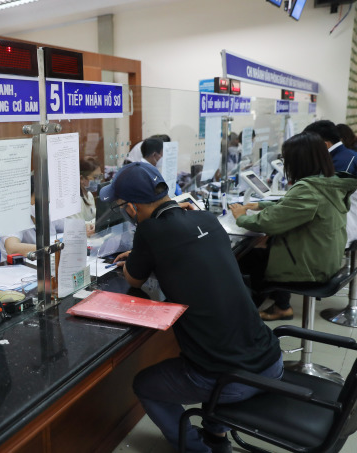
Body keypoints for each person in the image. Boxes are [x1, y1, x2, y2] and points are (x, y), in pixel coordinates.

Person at [102, 162, 282, 453]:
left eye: (122, 205)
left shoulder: (149, 232)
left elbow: (134, 277)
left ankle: (196, 449)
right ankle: (216, 436)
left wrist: (138, 256)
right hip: (271, 360)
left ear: (132, 208)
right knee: (218, 347)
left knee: (145, 385)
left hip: (232, 379)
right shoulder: (207, 219)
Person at [231, 131, 357, 321]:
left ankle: (243, 319)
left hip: (311, 268)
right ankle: (280, 305)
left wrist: (241, 217)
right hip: (325, 259)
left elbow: (269, 223)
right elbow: (294, 208)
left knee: (238, 262)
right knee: (261, 252)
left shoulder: (308, 188)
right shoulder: (328, 181)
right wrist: (261, 204)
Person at [70, 158, 101, 237]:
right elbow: (78, 226)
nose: (99, 181)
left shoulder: (89, 195)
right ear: (81, 179)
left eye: (100, 177)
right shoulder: (74, 199)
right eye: (95, 178)